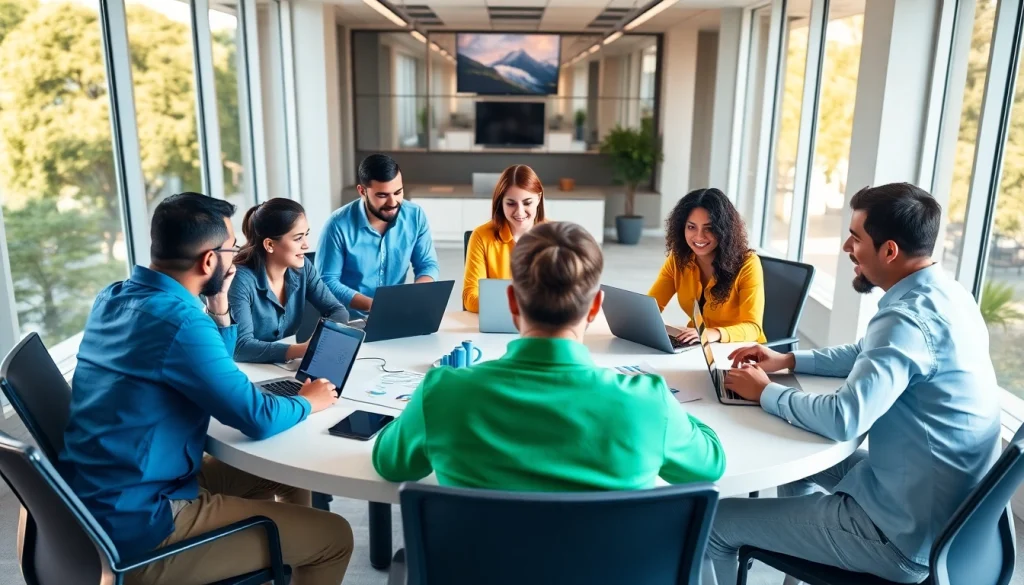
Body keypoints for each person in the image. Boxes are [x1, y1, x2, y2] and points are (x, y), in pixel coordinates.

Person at [708, 183, 1001, 584]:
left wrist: (765, 392)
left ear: (889, 251)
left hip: (898, 535)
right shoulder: (949, 295)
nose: (847, 246)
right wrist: (788, 360)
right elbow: (865, 351)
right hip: (938, 508)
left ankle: (821, 545)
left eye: (856, 237)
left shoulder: (905, 321)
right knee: (794, 464)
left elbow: (843, 418)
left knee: (718, 521)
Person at [59, 193, 353, 585]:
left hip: (102, 503)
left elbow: (216, 366)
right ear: (209, 261)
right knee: (335, 537)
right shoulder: (181, 322)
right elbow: (257, 418)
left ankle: (280, 556)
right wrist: (307, 401)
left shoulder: (113, 296)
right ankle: (292, 551)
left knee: (289, 474)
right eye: (231, 249)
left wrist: (219, 305)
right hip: (147, 526)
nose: (237, 257)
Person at [372, 221, 726, 490]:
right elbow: (710, 465)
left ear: (512, 301)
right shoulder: (649, 404)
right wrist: (667, 409)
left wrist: (423, 406)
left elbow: (390, 464)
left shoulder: (443, 392)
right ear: (595, 307)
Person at [316, 153, 439, 318]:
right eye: (382, 195)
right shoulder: (337, 225)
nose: (393, 203)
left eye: (398, 192)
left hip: (394, 315)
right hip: (348, 320)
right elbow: (326, 282)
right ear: (362, 191)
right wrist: (375, 306)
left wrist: (416, 296)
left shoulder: (415, 215)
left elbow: (427, 264)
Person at [229, 197, 350, 363]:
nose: (306, 245)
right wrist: (303, 350)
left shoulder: (303, 268)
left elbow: (337, 310)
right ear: (269, 245)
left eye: (306, 235)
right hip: (245, 368)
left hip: (281, 365)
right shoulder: (240, 280)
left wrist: (320, 341)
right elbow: (241, 347)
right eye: (298, 238)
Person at [648, 188, 765, 345]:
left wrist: (711, 333)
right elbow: (651, 306)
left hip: (739, 349)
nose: (699, 237)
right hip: (696, 345)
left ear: (724, 230)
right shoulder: (678, 258)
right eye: (691, 227)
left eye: (709, 228)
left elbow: (753, 328)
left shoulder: (747, 263)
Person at [462, 164, 546, 312]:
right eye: (511, 203)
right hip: (499, 319)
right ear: (501, 202)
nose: (520, 212)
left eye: (527, 203)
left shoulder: (555, 235)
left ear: (538, 199)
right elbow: (470, 297)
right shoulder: (481, 236)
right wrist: (514, 308)